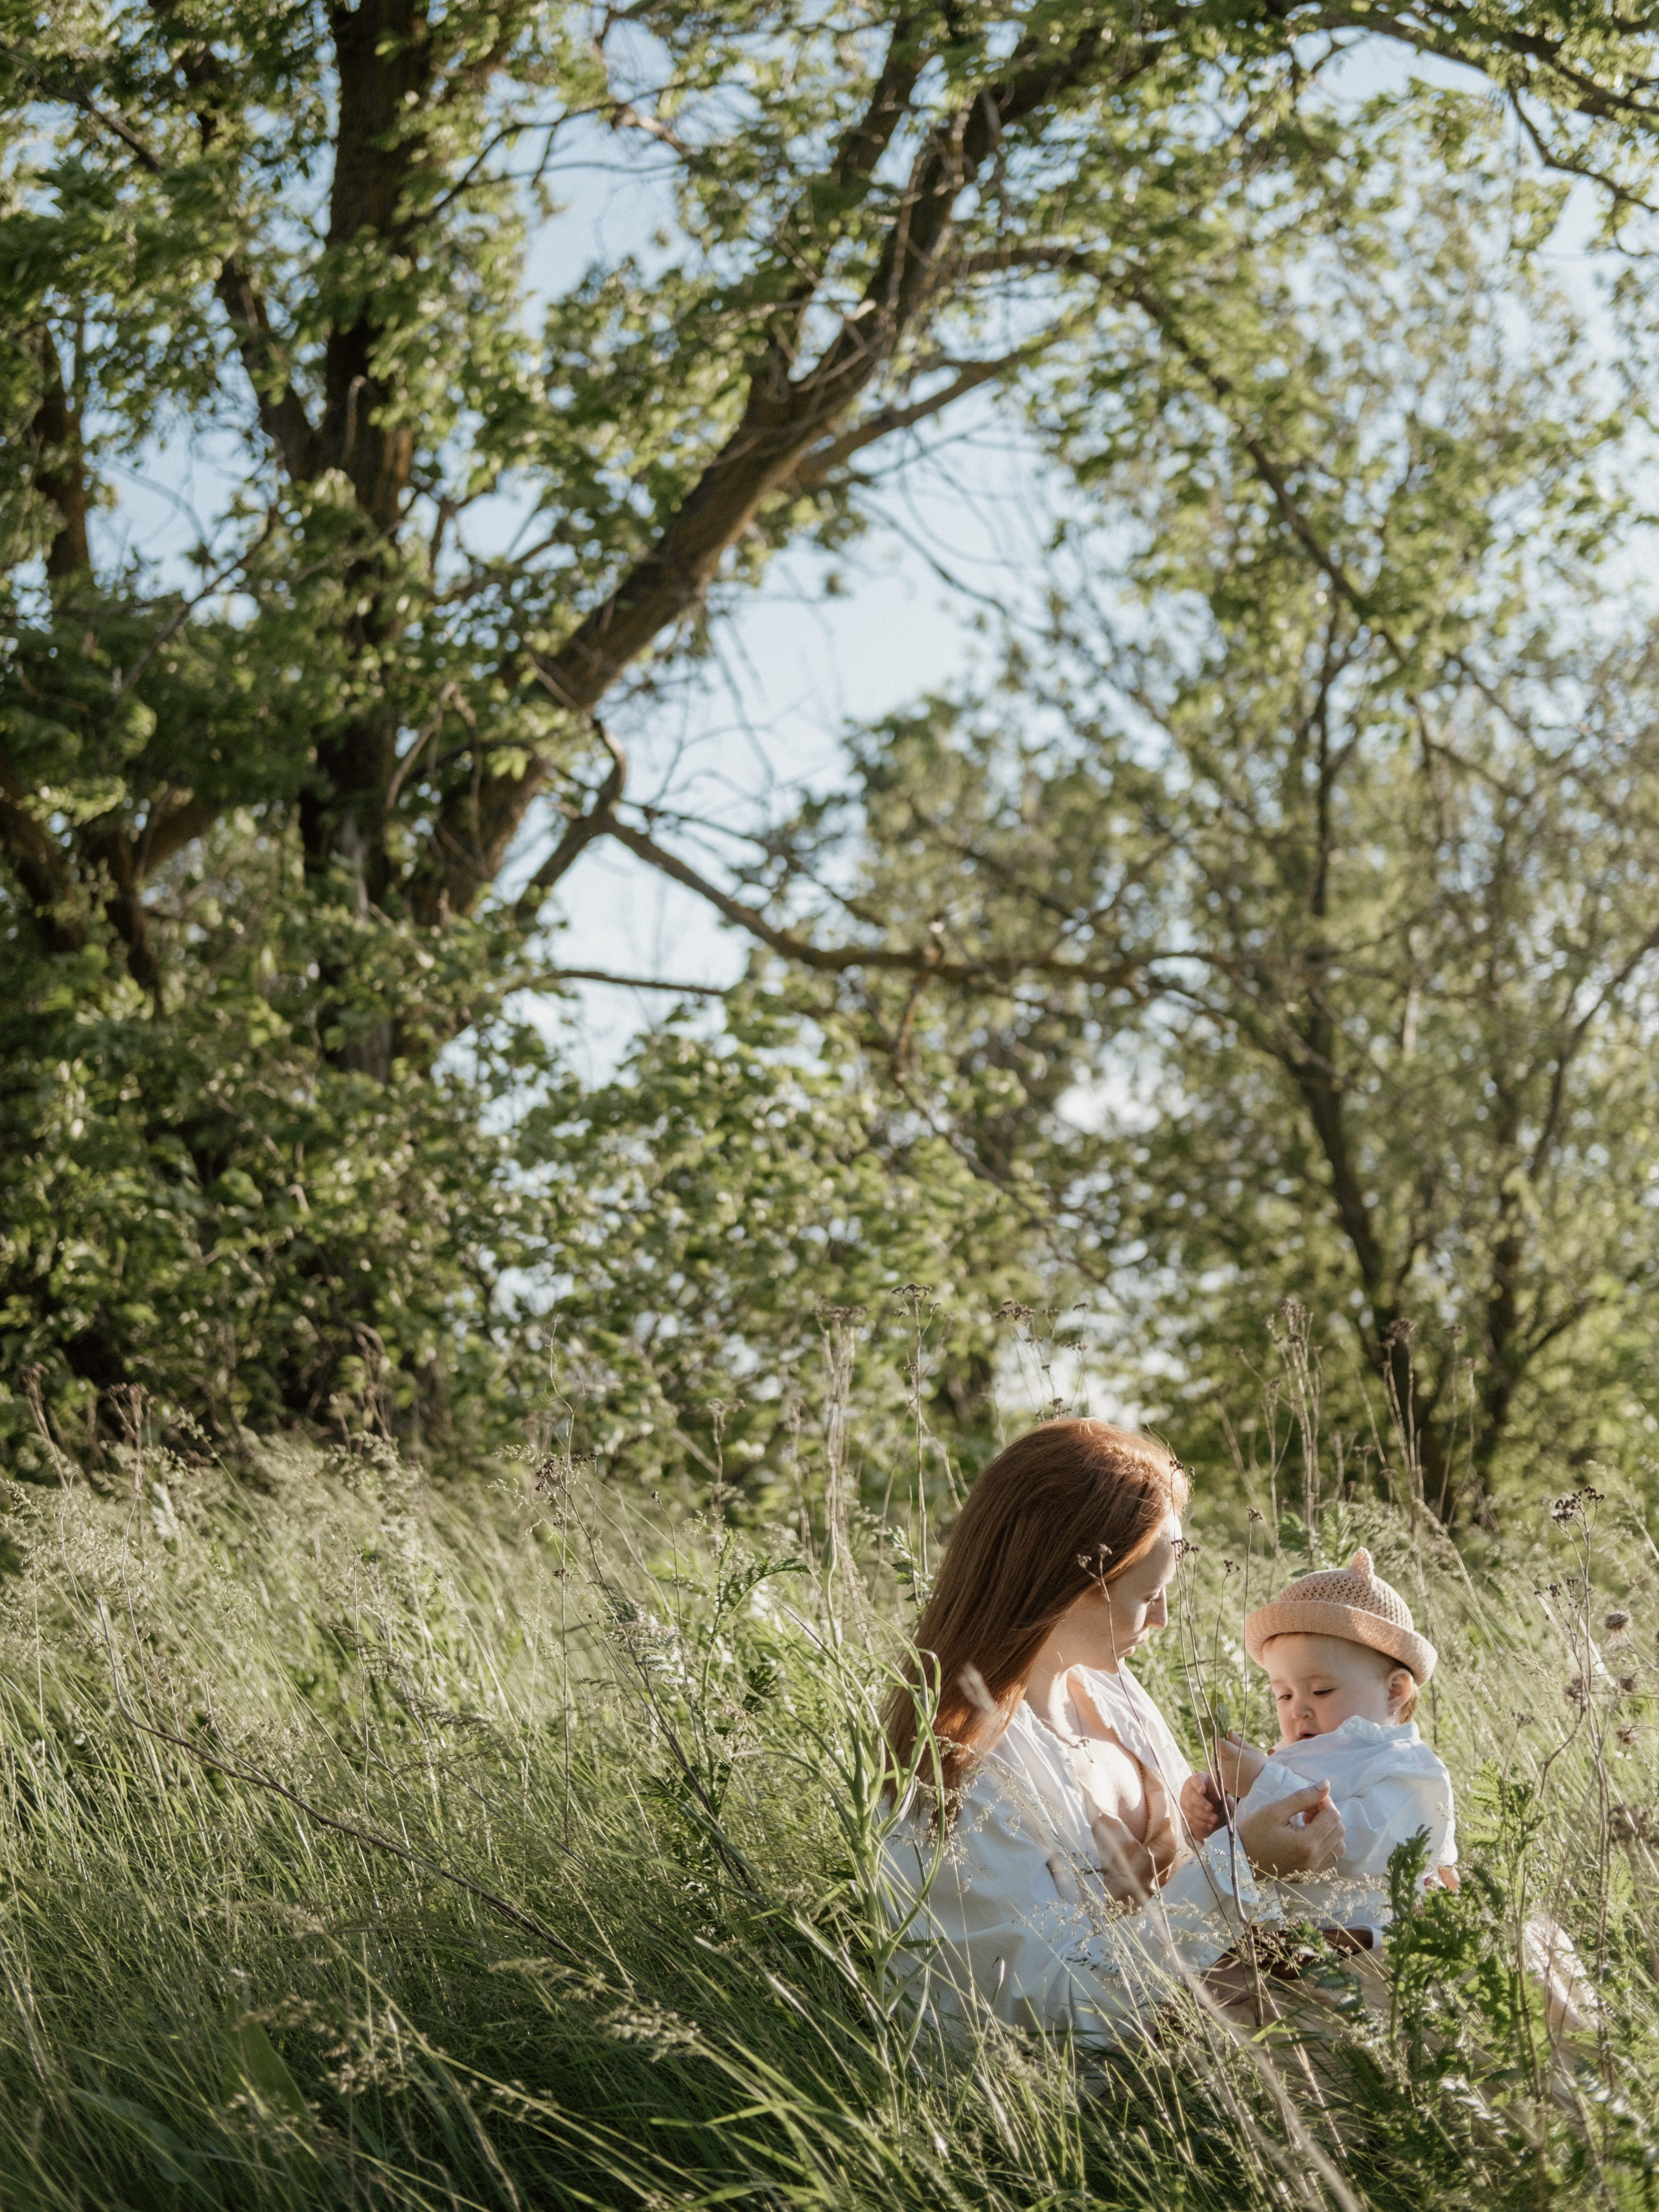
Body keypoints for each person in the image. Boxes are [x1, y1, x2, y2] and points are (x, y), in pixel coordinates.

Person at [879, 1421, 1345, 2043]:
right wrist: (1240, 1868)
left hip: (1218, 2018)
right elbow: (1041, 2003)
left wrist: (1241, 1825)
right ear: (1063, 1588)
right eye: (1148, 1594)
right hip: (1098, 2095)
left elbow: (1194, 1880)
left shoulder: (1106, 1689)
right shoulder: (960, 1761)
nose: (1162, 1619)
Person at [1186, 1548, 1456, 1948]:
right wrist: (1221, 1809)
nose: (1299, 1709)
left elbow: (1355, 1844)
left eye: (1322, 1690)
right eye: (1283, 1695)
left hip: (1366, 1954)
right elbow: (1260, 1850)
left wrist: (1261, 1780)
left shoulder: (1408, 1768)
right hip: (1285, 1953)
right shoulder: (1288, 1756)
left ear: (1394, 1691)